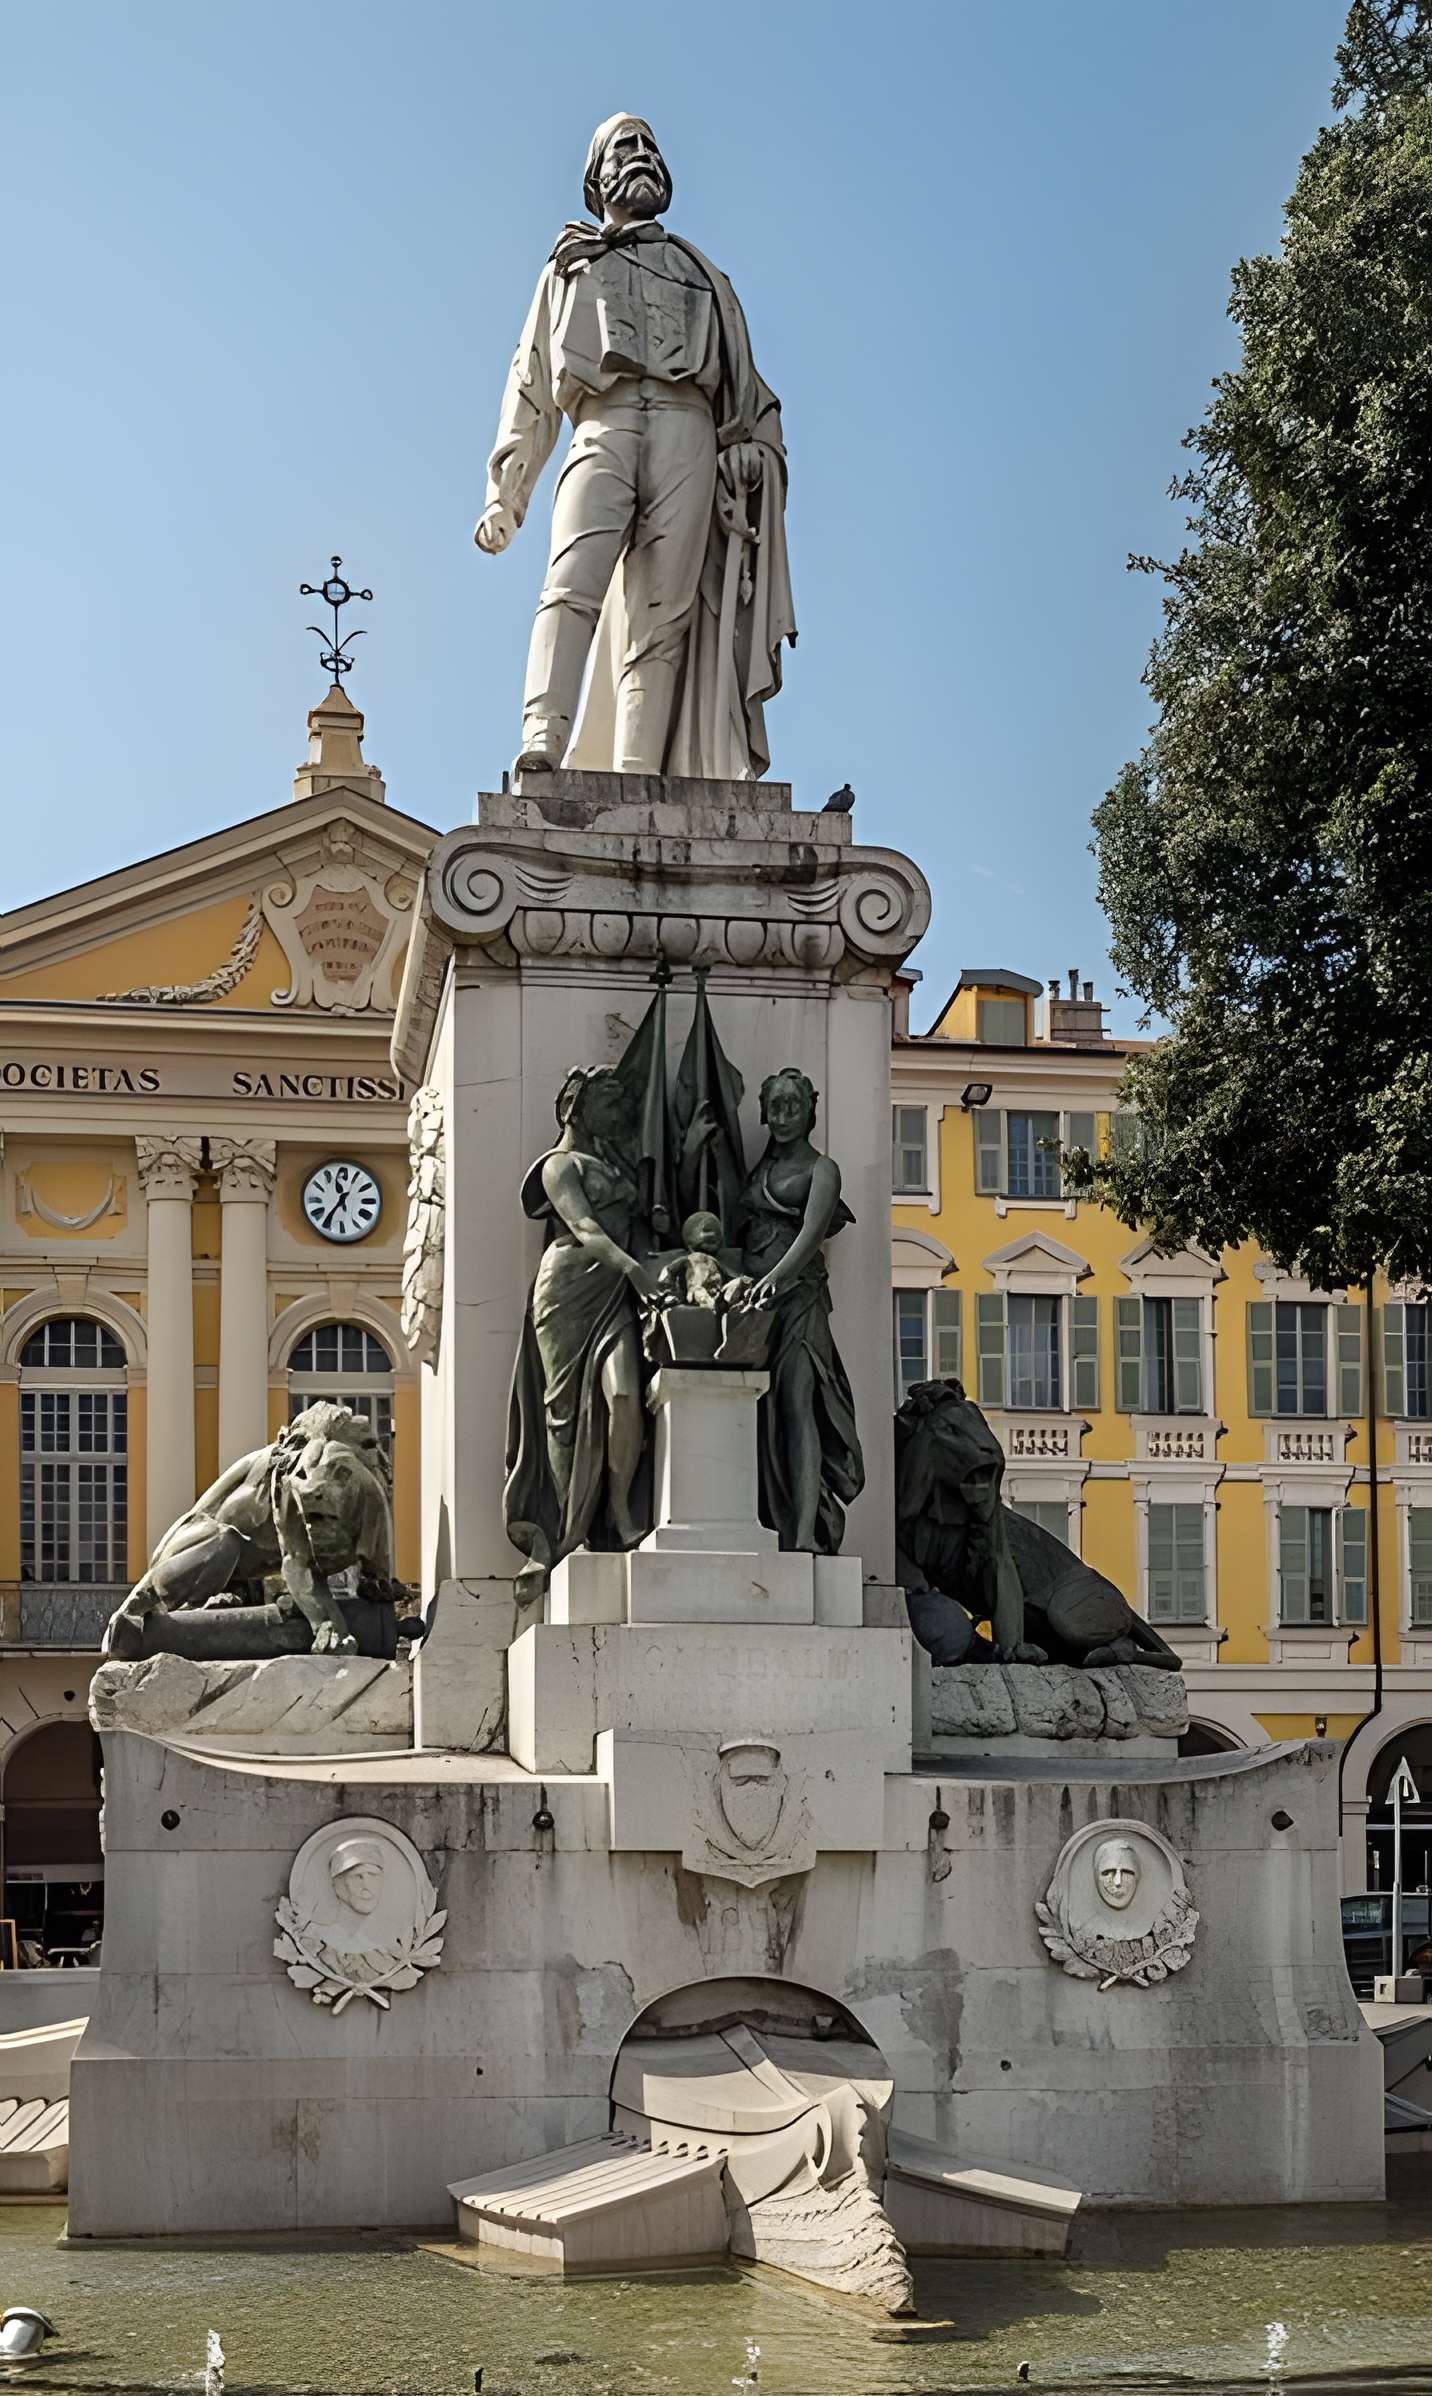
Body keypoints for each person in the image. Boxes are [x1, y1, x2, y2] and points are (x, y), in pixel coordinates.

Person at [475, 114, 794, 779]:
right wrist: (507, 493)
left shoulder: (704, 274)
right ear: (596, 178)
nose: (643, 155)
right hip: (603, 422)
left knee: (663, 619)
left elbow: (750, 395)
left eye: (651, 145)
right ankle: (542, 740)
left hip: (687, 430)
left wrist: (750, 451)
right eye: (626, 146)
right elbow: (530, 380)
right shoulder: (570, 266)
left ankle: (638, 775)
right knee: (570, 583)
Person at [505, 1066, 661, 1600]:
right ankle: (567, 1530)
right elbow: (586, 1228)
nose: (619, 1115)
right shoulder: (558, 1166)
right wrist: (637, 1272)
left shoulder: (616, 1164)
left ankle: (619, 1510)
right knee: (564, 1415)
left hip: (614, 1291)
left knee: (625, 1397)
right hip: (568, 1290)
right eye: (609, 1104)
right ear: (578, 1108)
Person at [734, 1069, 863, 1551]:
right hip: (753, 1304)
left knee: (798, 1402)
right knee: (756, 1408)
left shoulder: (822, 1169)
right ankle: (765, 1517)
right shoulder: (759, 1170)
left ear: (811, 1108)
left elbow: (811, 1234)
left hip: (798, 1300)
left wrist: (775, 1279)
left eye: (793, 1105)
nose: (784, 1116)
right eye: (776, 1106)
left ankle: (806, 1530)